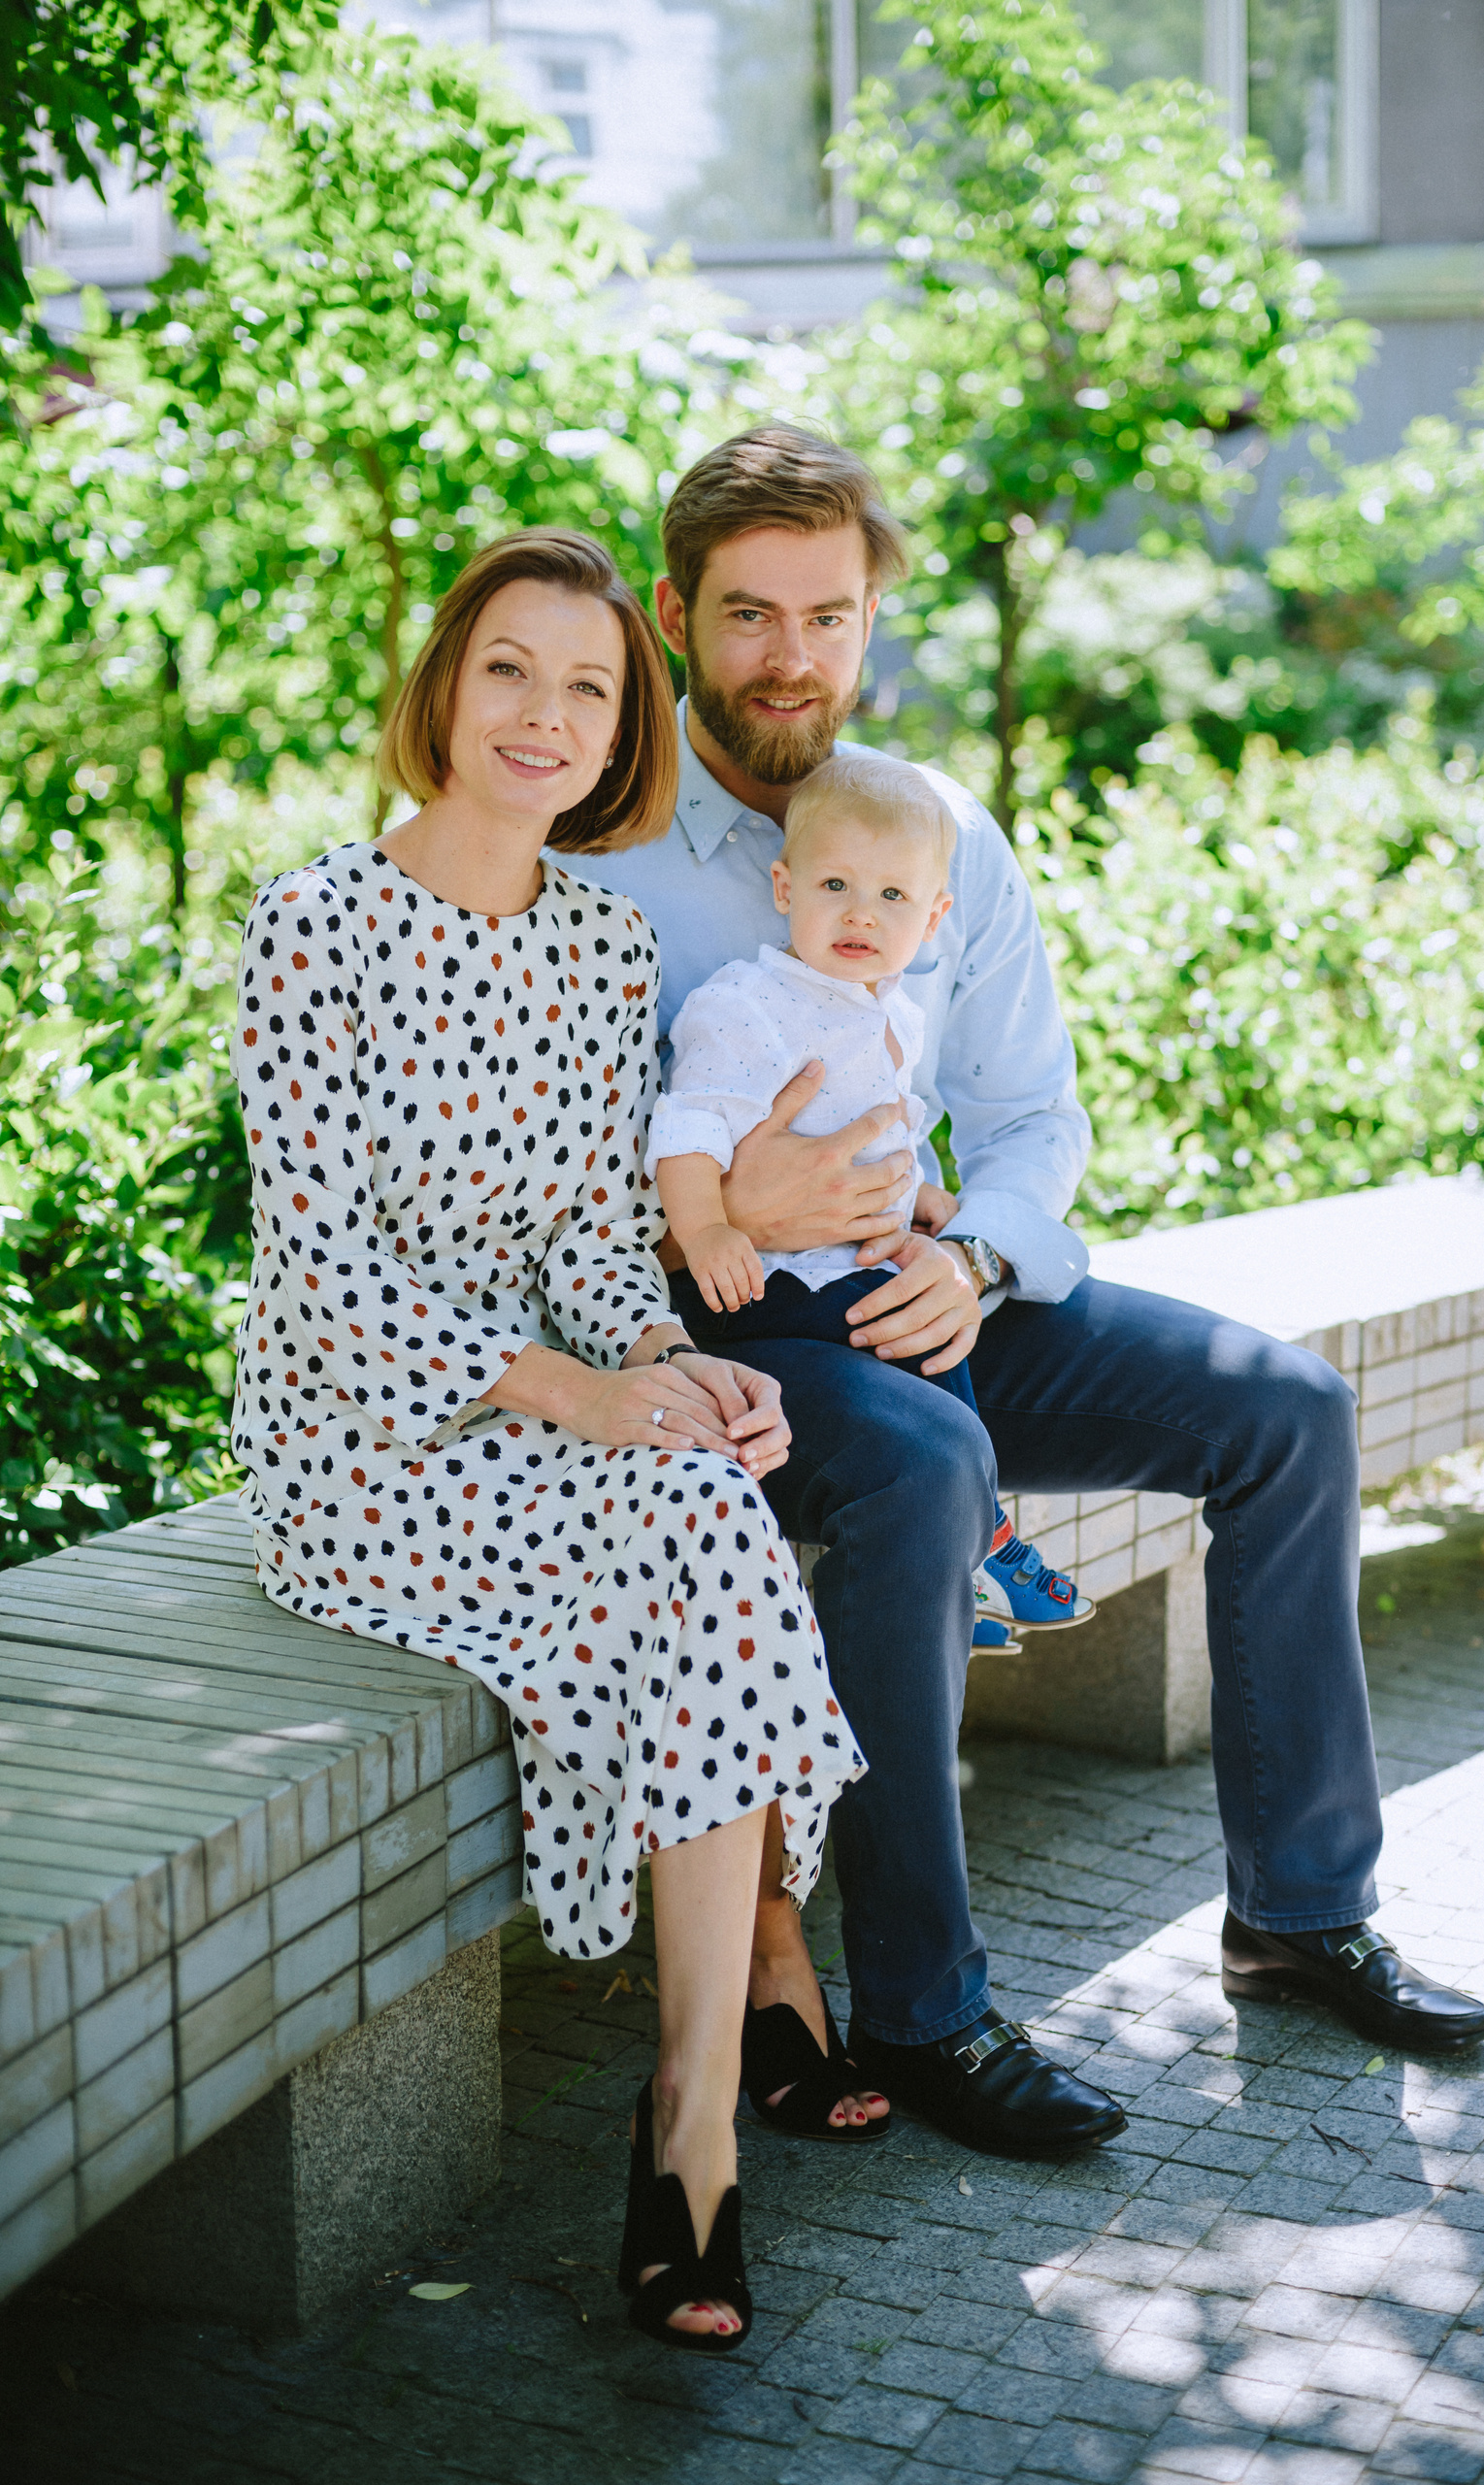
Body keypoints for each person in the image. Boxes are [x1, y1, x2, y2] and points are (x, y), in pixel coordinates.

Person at [577, 426, 1484, 2159]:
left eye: (830, 616)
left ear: (871, 622)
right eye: (751, 615)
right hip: (722, 1344)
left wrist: (975, 1259)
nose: (792, 658)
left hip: (922, 1299)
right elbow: (526, 1197)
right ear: (675, 617)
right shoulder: (597, 848)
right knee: (919, 1465)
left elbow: (1028, 1122)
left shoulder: (936, 833)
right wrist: (715, 1206)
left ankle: (1300, 1914)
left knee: (1284, 1413)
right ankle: (922, 2010)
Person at [232, 525, 869, 2354]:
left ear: (619, 733)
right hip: (360, 1440)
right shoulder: (312, 923)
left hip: (537, 1412)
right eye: (510, 667)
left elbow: (595, 1243)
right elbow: (323, 1275)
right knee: (696, 1536)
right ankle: (720, 2077)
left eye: (590, 686)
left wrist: (674, 1360)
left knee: (708, 1499)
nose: (545, 712)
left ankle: (688, 2114)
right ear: (446, 685)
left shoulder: (602, 946)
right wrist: (585, 1397)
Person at [646, 743, 1091, 1644]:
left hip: (839, 1256)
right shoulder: (749, 1005)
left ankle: (959, 1561)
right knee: (909, 1347)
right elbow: (686, 1128)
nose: (861, 913)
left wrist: (917, 1199)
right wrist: (706, 1230)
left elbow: (880, 1130)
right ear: (785, 889)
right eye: (835, 886)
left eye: (892, 896)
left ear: (932, 917)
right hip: (759, 1281)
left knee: (924, 1310)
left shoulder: (888, 1012)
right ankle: (975, 1549)